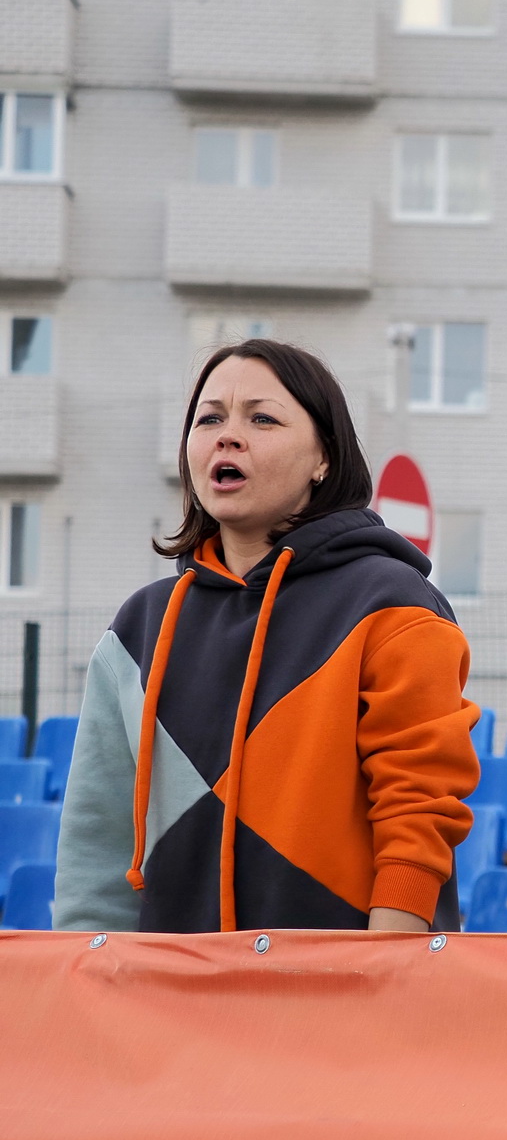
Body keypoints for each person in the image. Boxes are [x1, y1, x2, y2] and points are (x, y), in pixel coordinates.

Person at [55, 340, 478, 934]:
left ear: (323, 457)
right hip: (168, 986)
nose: (227, 436)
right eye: (209, 419)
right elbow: (95, 852)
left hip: (347, 980)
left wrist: (386, 968)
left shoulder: (391, 602)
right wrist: (94, 973)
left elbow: (418, 815)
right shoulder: (138, 627)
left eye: (262, 419)